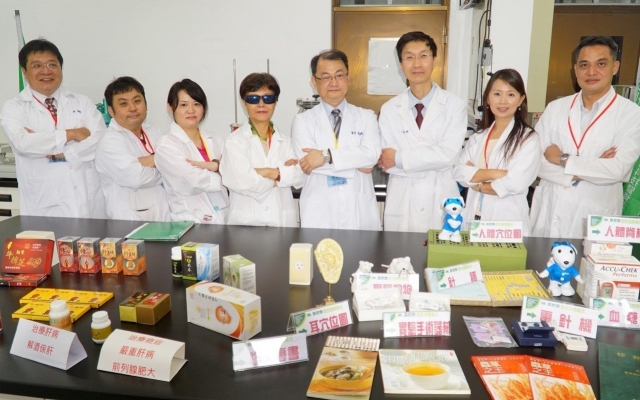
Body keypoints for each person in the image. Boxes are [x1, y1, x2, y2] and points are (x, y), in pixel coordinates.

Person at [530, 36, 640, 238]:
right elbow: (534, 162)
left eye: (601, 64)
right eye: (584, 65)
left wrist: (561, 159)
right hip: (549, 213)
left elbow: (617, 170)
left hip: (597, 220)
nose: (591, 72)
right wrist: (593, 167)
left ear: (615, 67)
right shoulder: (555, 108)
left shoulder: (631, 114)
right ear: (575, 69)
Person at [0, 38, 106, 218]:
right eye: (37, 65)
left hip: (88, 203)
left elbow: (100, 141)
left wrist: (61, 151)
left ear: (61, 68)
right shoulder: (14, 107)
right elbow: (23, 143)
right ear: (24, 71)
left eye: (52, 64)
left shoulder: (82, 102)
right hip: (43, 206)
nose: (46, 71)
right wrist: (72, 134)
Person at [377, 31, 467, 233]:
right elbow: (386, 162)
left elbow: (448, 156)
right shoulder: (389, 109)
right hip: (402, 204)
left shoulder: (454, 105)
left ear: (434, 60)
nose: (416, 64)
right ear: (401, 64)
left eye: (423, 56)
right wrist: (432, 160)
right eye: (409, 57)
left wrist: (399, 158)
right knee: (399, 253)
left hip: (441, 203)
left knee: (441, 252)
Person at [292, 49, 381, 230]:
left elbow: (371, 157)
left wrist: (326, 156)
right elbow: (307, 163)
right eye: (326, 77)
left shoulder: (367, 117)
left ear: (348, 78)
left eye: (339, 75)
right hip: (319, 213)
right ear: (314, 82)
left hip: (359, 212)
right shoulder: (302, 121)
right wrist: (357, 162)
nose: (333, 82)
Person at [453, 69, 540, 235]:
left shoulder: (528, 138)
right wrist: (497, 173)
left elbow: (516, 183)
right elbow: (458, 172)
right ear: (488, 98)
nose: (503, 101)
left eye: (511, 95)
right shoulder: (478, 136)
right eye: (497, 94)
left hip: (507, 223)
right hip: (474, 220)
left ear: (521, 99)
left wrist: (477, 182)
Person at [220, 73, 304, 227]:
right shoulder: (234, 141)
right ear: (244, 103)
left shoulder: (287, 141)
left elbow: (300, 176)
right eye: (253, 99)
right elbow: (243, 182)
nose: (261, 104)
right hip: (245, 225)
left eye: (268, 98)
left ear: (275, 102)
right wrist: (281, 175)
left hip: (282, 224)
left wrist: (264, 172)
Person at [95, 77, 170, 221]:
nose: (133, 108)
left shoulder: (155, 132)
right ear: (111, 111)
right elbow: (136, 178)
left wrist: (147, 162)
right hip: (129, 222)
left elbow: (178, 168)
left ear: (146, 104)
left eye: (137, 101)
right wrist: (163, 164)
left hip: (164, 217)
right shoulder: (110, 141)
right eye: (123, 104)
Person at [155, 79, 228, 223]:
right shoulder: (166, 145)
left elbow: (233, 169)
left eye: (196, 104)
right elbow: (192, 182)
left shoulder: (214, 138)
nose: (191, 110)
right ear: (170, 107)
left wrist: (219, 167)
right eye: (183, 105)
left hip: (223, 217)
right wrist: (222, 170)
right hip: (191, 221)